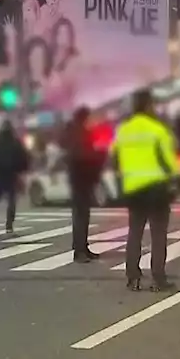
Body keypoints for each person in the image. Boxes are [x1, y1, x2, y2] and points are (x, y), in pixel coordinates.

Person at [111, 89, 178, 291]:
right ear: (149, 105)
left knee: (134, 233)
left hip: (133, 189)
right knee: (158, 234)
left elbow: (115, 159)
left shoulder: (123, 130)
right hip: (156, 188)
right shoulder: (157, 130)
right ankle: (158, 278)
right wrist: (176, 182)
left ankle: (133, 277)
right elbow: (169, 162)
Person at [61, 106, 104, 262]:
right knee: (81, 215)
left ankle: (82, 248)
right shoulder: (79, 133)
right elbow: (83, 156)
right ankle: (79, 251)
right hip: (81, 177)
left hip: (79, 177)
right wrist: (98, 157)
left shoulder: (73, 132)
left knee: (82, 214)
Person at [0, 120, 29, 234]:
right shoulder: (16, 143)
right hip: (11, 175)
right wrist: (20, 170)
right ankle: (9, 225)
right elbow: (24, 158)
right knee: (11, 201)